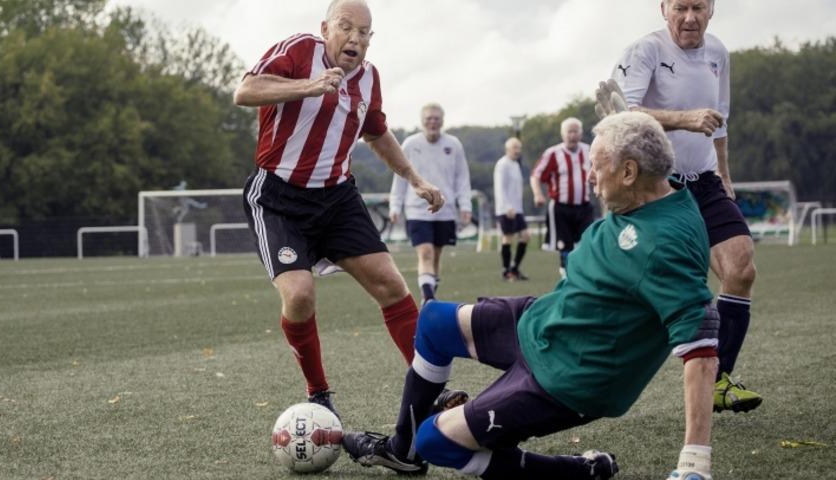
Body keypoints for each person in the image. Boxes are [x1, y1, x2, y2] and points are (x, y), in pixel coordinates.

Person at [343, 112, 720, 480]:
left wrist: (694, 463)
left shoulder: (663, 244)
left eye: (596, 165)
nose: (588, 176)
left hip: (569, 375)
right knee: (434, 321)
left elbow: (701, 351)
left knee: (437, 441)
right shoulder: (654, 189)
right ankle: (401, 453)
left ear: (628, 172)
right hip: (546, 320)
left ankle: (576, 470)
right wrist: (625, 124)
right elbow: (647, 153)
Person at [232, 0, 445, 417]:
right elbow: (245, 91)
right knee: (299, 295)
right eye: (346, 28)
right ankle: (318, 393)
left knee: (391, 285)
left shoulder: (369, 78)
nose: (355, 39)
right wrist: (307, 86)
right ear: (325, 29)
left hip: (337, 197)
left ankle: (432, 392)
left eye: (365, 33)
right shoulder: (297, 50)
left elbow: (378, 134)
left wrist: (416, 179)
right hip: (278, 197)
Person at [601, 0, 761, 413]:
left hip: (705, 181)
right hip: (657, 186)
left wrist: (724, 174)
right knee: (649, 289)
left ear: (712, 10)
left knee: (740, 269)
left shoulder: (718, 53)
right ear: (663, 9)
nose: (689, 17)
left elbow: (720, 119)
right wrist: (683, 119)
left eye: (698, 7)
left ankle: (720, 380)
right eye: (680, 7)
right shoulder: (645, 51)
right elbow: (621, 115)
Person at [390, 103, 472, 305]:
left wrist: (465, 205)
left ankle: (430, 292)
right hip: (417, 209)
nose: (432, 122)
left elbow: (462, 177)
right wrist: (395, 205)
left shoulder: (453, 144)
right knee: (425, 252)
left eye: (436, 118)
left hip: (445, 209)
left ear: (442, 121)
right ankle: (428, 299)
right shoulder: (410, 143)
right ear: (422, 121)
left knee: (435, 255)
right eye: (429, 118)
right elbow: (400, 176)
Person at [530, 117, 593, 277]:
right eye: (569, 132)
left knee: (587, 241)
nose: (572, 135)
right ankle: (566, 274)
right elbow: (536, 175)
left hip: (584, 206)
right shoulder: (553, 153)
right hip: (561, 207)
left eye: (575, 131)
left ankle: (584, 272)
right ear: (562, 134)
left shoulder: (589, 150)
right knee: (564, 244)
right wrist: (538, 194)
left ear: (581, 133)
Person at [493, 137, 530, 281]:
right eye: (515, 148)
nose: (517, 151)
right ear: (507, 149)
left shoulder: (515, 164)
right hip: (506, 209)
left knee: (526, 236)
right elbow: (500, 187)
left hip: (517, 209)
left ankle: (514, 269)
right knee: (508, 238)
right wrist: (507, 206)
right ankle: (506, 270)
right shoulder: (502, 164)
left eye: (519, 148)